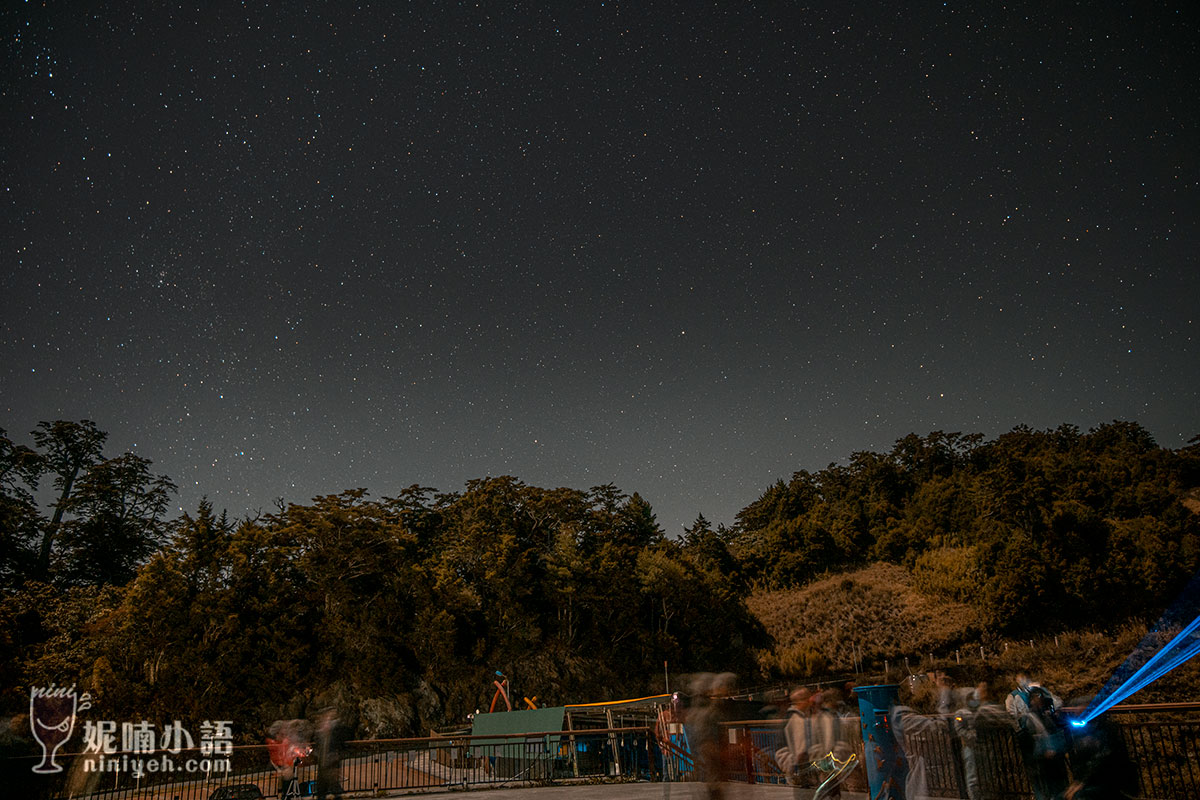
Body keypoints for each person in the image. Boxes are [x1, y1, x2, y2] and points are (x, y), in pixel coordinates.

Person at [1006, 671, 1068, 800]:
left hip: (1041, 735)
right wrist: (1020, 729)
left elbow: (1056, 701)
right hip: (1029, 736)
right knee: (1037, 773)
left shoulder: (1039, 690)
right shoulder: (1014, 696)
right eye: (1020, 678)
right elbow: (1012, 715)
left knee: (1050, 773)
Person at [314, 707, 350, 800]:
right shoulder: (322, 729)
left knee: (331, 787)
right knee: (325, 788)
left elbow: (343, 737)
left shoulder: (336, 727)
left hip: (331, 761)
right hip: (324, 761)